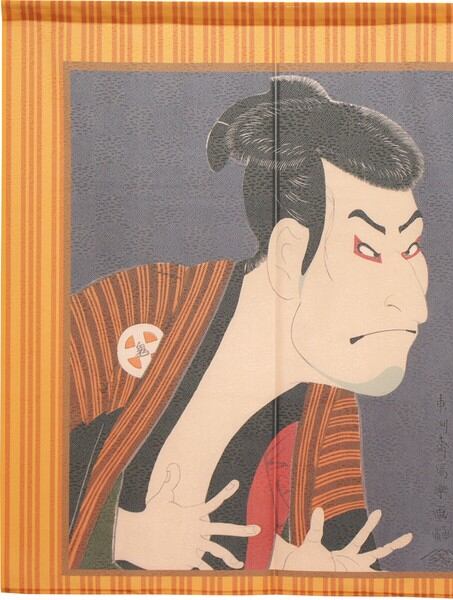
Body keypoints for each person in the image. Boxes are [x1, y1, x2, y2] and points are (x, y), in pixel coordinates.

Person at [69, 75, 428, 571]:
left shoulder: (328, 400)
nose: (414, 305)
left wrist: (312, 576)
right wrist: (118, 537)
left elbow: (341, 547)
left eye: (410, 248)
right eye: (367, 249)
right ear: (288, 253)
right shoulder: (140, 307)